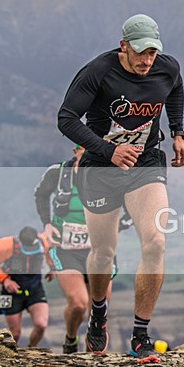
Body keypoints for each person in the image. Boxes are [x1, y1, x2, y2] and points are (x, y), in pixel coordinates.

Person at [57, 13, 184, 363]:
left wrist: (177, 132)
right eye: (141, 53)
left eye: (152, 53)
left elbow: (174, 88)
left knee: (156, 240)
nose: (147, 61)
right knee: (103, 251)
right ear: (124, 46)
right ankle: (98, 315)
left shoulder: (165, 68)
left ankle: (140, 336)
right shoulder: (97, 72)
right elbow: (66, 118)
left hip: (145, 165)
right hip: (101, 168)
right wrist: (108, 150)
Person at [34, 144, 133, 354]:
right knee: (78, 304)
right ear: (75, 151)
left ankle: (92, 358)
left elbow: (135, 200)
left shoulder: (109, 175)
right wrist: (47, 224)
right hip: (66, 249)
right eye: (84, 148)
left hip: (99, 250)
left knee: (98, 309)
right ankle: (70, 339)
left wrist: (122, 224)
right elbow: (41, 195)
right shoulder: (59, 173)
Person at [0, 227, 53, 347]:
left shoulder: (44, 242)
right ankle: (12, 356)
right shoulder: (5, 245)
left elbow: (51, 253)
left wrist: (52, 268)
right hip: (11, 291)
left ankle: (31, 349)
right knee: (15, 333)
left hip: (35, 288)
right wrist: (5, 280)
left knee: (41, 325)